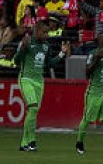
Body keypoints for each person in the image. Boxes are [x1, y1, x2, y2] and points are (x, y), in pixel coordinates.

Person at [16, 19, 71, 151]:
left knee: (33, 112)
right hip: (26, 79)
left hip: (39, 81)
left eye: (47, 32)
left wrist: (62, 53)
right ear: (36, 31)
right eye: (44, 32)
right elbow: (16, 61)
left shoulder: (46, 46)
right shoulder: (27, 42)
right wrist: (22, 48)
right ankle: (32, 141)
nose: (46, 35)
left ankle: (24, 143)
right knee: (33, 108)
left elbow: (50, 63)